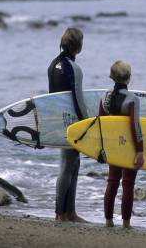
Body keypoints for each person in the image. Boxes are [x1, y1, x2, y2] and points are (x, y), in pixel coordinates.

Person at [48, 27, 88, 222]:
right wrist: (88, 124)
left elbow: (52, 98)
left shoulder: (53, 64)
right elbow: (78, 100)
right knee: (67, 165)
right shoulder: (74, 68)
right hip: (73, 124)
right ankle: (61, 214)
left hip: (59, 121)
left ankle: (69, 212)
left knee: (72, 163)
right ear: (79, 47)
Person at [98, 60, 144, 229]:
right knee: (128, 184)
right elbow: (135, 126)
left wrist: (102, 147)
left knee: (112, 181)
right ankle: (126, 223)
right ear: (129, 78)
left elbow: (101, 124)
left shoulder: (105, 97)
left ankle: (108, 221)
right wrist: (140, 151)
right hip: (129, 146)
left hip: (112, 146)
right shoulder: (132, 99)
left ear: (112, 77)